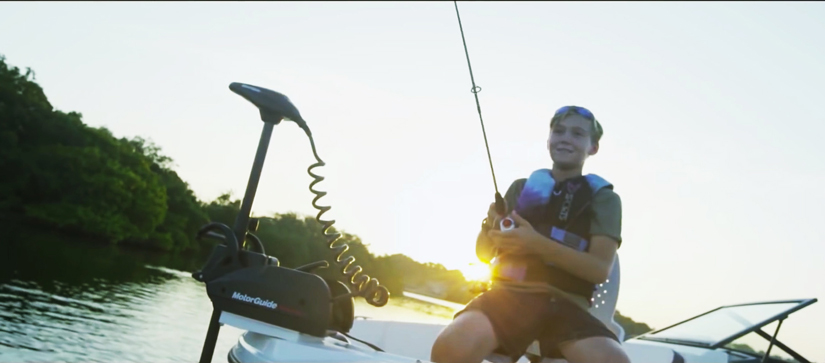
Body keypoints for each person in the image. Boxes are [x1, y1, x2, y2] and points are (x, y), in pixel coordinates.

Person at [430, 106, 631, 363]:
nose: (566, 138)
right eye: (558, 131)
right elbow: (483, 253)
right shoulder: (521, 188)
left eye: (578, 134)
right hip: (508, 298)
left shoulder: (605, 199)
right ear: (548, 140)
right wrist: (490, 224)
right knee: (450, 349)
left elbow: (599, 270)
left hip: (568, 307)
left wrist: (535, 243)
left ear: (593, 147)